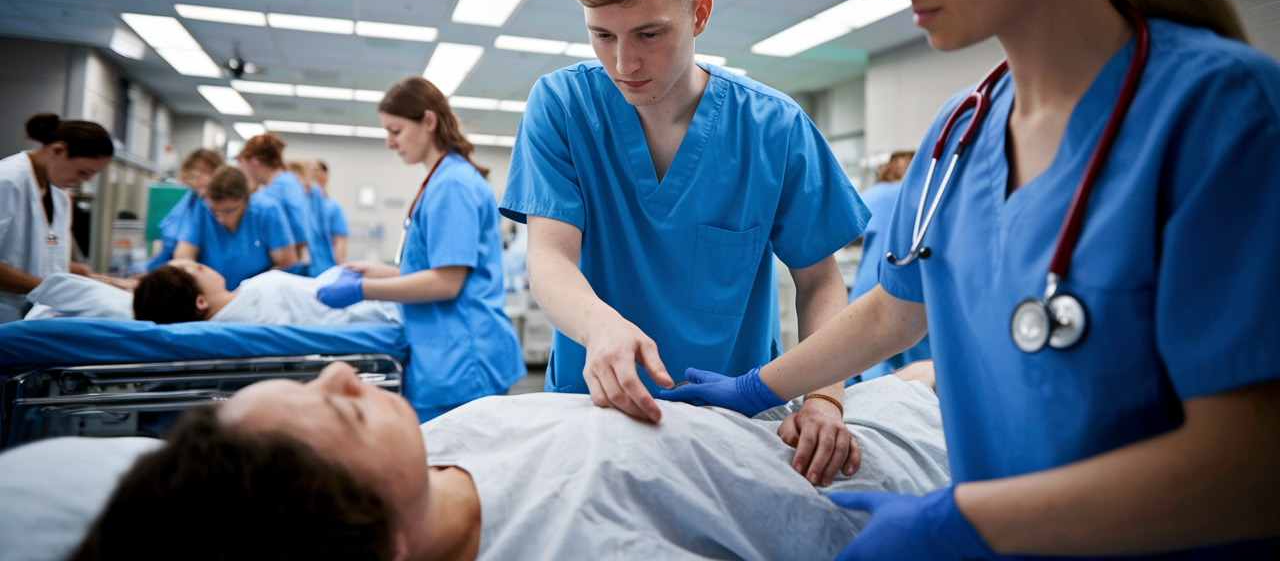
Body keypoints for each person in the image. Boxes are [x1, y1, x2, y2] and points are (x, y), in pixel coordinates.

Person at [660, 0, 1280, 558]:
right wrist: (757, 388)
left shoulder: (1219, 115)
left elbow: (1254, 465)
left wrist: (965, 524)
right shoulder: (962, 135)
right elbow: (898, 307)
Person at [498, 0, 870, 485]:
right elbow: (549, 257)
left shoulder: (773, 128)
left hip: (733, 424)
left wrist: (823, 398)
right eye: (602, 35)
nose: (624, 63)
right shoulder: (562, 107)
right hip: (591, 411)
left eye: (649, 33)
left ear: (699, 14)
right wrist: (600, 326)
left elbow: (820, 280)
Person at [68, 360, 950, 561]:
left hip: (808, 421)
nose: (341, 371)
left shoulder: (440, 443)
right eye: (332, 409)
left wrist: (798, 389)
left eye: (306, 379)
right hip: (886, 481)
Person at [316, 77, 525, 421]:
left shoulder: (452, 185)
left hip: (461, 360)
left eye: (395, 130)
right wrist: (376, 272)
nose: (389, 142)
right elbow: (434, 267)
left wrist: (363, 290)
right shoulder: (442, 180)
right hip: (447, 354)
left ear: (428, 122)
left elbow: (446, 282)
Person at [0, 113, 113, 322]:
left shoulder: (58, 194)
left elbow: (36, 253)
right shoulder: (6, 181)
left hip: (28, 313)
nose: (84, 180)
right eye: (82, 172)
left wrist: (73, 271)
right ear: (58, 150)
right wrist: (56, 289)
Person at [849, 150, 928, 381]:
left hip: (870, 291)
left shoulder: (874, 196)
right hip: (915, 294)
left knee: (862, 365)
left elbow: (840, 231)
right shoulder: (930, 194)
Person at [133, 259, 399, 325]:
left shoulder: (241, 301)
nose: (205, 264)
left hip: (348, 290)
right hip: (376, 305)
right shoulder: (259, 298)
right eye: (198, 268)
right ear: (201, 302)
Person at [174, 166, 297, 290]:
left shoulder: (267, 211)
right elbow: (183, 258)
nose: (221, 218)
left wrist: (247, 292)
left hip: (255, 294)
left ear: (246, 201)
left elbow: (286, 262)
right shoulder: (201, 209)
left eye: (229, 211)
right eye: (215, 211)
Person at [237, 133, 310, 273]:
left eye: (243, 165)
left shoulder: (281, 188)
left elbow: (300, 236)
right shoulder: (281, 184)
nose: (243, 172)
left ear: (254, 161)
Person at [146, 149, 222, 271]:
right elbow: (171, 241)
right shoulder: (193, 200)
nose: (198, 180)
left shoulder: (211, 205)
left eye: (203, 174)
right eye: (193, 176)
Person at [311, 160, 348, 265]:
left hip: (325, 265)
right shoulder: (303, 206)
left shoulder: (333, 207)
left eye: (317, 170)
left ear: (325, 175)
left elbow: (339, 240)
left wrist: (338, 268)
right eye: (311, 171)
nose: (313, 174)